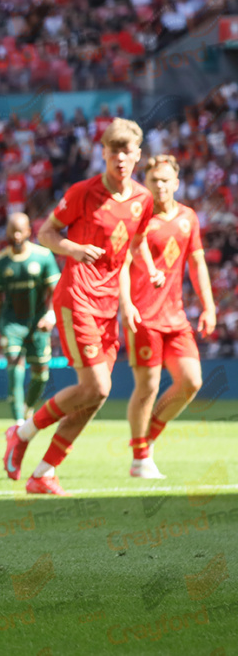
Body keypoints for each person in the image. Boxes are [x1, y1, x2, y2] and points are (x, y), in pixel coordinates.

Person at [2, 118, 165, 495]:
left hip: (110, 303)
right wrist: (74, 249)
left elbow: (133, 248)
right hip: (77, 296)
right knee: (95, 384)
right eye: (114, 151)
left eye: (127, 152)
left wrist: (144, 280)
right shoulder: (83, 192)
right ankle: (22, 432)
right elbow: (45, 232)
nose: (120, 159)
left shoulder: (143, 199)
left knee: (96, 395)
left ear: (138, 155)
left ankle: (43, 472)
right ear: (103, 153)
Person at [124, 155, 215, 479]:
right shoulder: (138, 218)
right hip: (144, 315)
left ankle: (145, 441)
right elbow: (129, 254)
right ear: (145, 184)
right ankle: (141, 459)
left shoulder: (188, 217)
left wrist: (209, 305)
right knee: (146, 387)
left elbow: (197, 263)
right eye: (153, 180)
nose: (160, 185)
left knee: (191, 381)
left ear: (176, 183)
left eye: (165, 180)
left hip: (176, 316)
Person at [0, 212, 61, 425]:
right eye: (12, 230)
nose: (16, 235)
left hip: (38, 323)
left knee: (41, 375)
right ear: (7, 232)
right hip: (12, 324)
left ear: (29, 231)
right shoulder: (0, 263)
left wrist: (51, 315)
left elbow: (56, 290)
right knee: (14, 364)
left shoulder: (43, 257)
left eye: (20, 230)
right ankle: (18, 422)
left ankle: (27, 407)